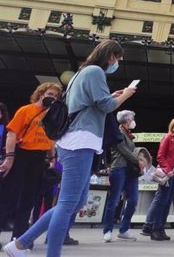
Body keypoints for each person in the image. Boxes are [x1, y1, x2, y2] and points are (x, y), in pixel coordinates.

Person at [4, 39, 136, 257]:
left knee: (76, 202)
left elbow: (95, 102)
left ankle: (20, 244)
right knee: (67, 204)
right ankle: (45, 252)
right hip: (80, 140)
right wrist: (126, 94)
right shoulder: (95, 71)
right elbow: (107, 106)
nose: (118, 63)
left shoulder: (83, 72)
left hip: (77, 140)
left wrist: (112, 96)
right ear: (111, 56)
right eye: (118, 59)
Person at [0, 82, 62, 244]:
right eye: (49, 94)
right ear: (41, 94)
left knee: (30, 198)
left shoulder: (51, 115)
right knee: (9, 196)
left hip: (39, 158)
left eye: (55, 96)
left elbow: (51, 138)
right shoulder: (25, 110)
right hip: (21, 155)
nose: (52, 98)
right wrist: (9, 158)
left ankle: (19, 238)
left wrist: (52, 157)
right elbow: (11, 134)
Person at [146, 115, 174, 241]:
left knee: (168, 201)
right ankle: (154, 227)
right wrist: (168, 169)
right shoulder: (168, 138)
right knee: (162, 200)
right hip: (168, 173)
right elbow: (160, 156)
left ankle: (160, 228)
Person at [102, 110, 140, 243]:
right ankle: (107, 230)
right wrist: (138, 160)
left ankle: (124, 229)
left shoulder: (129, 135)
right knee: (114, 201)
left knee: (133, 199)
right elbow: (124, 151)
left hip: (130, 170)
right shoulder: (117, 133)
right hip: (119, 168)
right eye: (132, 118)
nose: (133, 121)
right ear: (126, 120)